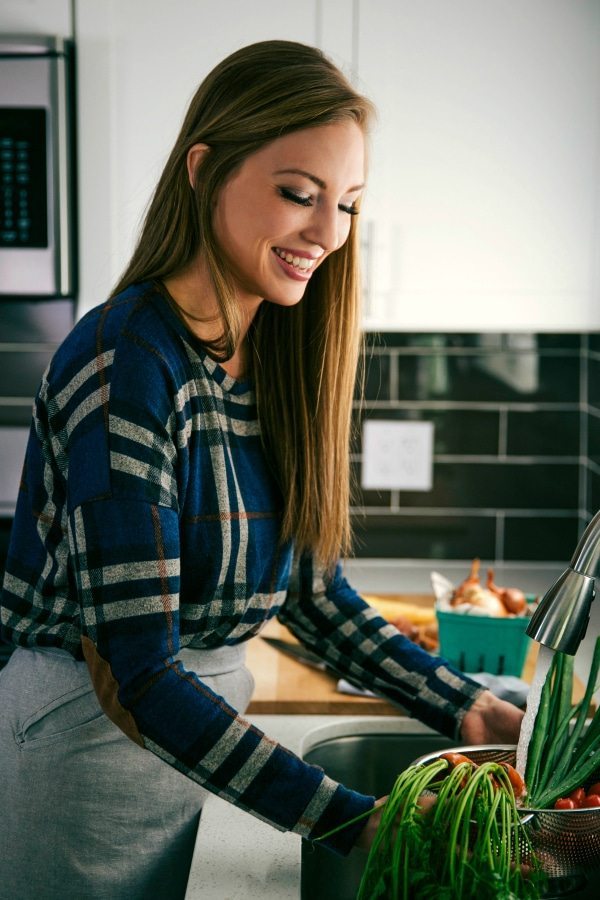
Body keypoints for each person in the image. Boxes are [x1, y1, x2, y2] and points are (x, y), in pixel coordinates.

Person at [0, 39, 523, 900]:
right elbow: (141, 673)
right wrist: (349, 817)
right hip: (84, 756)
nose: (328, 233)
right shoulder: (128, 359)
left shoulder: (264, 354)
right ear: (204, 171)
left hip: (191, 745)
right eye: (298, 194)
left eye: (348, 204)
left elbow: (311, 594)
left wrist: (464, 708)